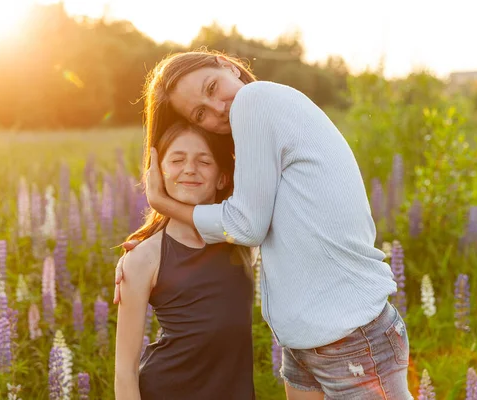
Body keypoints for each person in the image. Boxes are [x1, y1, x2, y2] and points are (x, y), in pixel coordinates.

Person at [114, 50, 413, 400]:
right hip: (304, 342)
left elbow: (245, 227)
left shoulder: (255, 99)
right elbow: (249, 231)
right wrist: (152, 249)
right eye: (200, 113)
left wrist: (162, 203)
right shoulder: (261, 128)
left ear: (226, 64)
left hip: (350, 333)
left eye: (212, 87)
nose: (218, 110)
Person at [114, 120, 256, 400]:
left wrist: (158, 199)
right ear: (159, 173)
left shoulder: (239, 238)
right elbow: (124, 372)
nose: (190, 169)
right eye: (177, 159)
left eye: (204, 161)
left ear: (222, 178)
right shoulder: (145, 256)